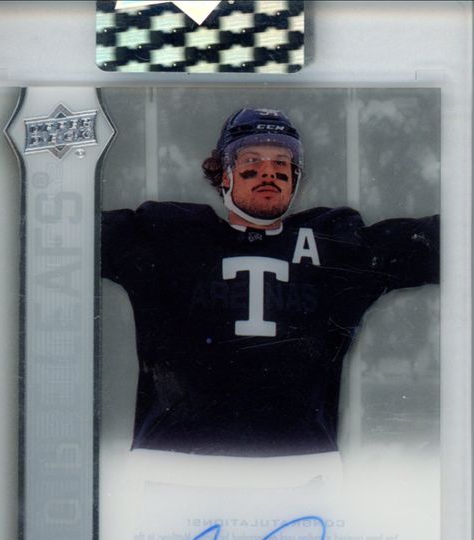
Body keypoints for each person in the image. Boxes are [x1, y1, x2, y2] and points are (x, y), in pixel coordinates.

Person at [101, 108, 439, 457]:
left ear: (295, 177)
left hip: (300, 467)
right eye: (252, 160)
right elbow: (71, 233)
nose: (268, 172)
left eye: (281, 163)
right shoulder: (170, 236)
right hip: (172, 463)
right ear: (224, 174)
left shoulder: (333, 246)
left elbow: (444, 242)